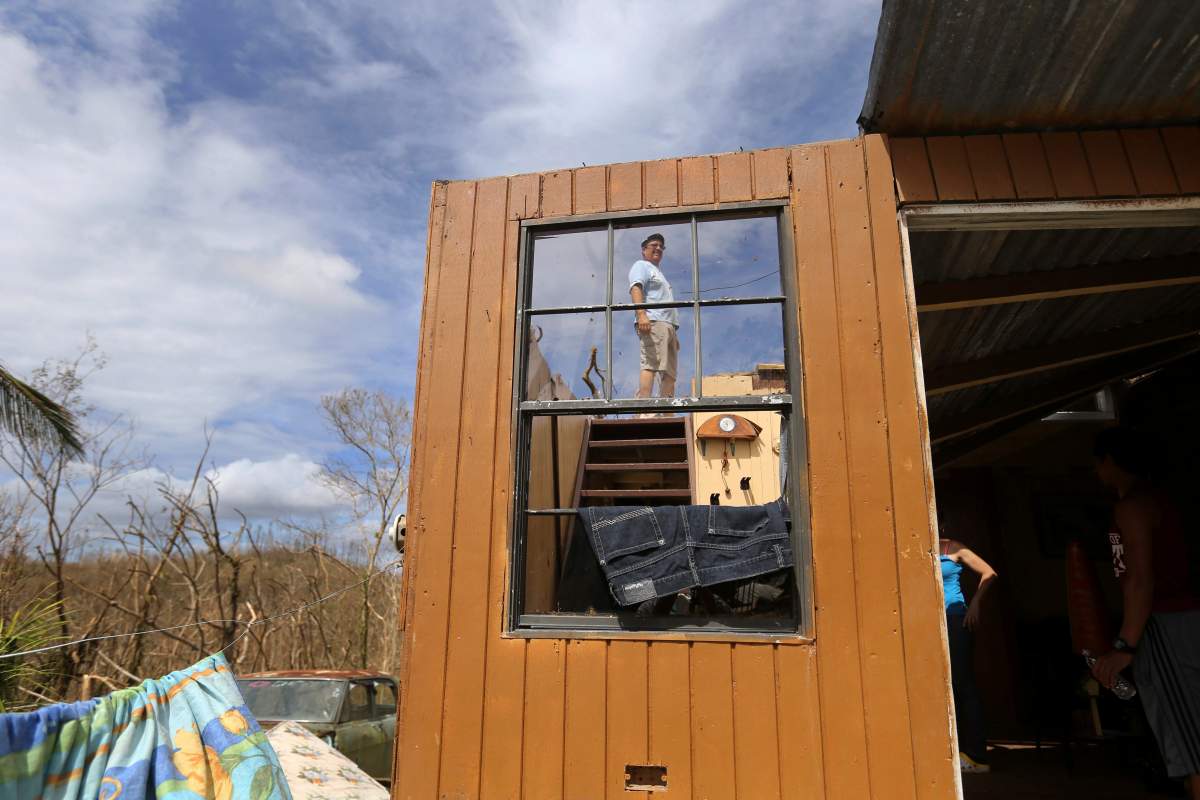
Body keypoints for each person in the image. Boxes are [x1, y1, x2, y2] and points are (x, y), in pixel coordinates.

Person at [1091, 427, 1200, 799]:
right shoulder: (1143, 503)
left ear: (1108, 461)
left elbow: (1141, 579)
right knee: (1179, 738)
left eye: (1098, 464)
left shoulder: (1135, 505)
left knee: (1189, 738)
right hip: (1159, 626)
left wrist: (1126, 644)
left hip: (1167, 626)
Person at [940, 529, 998, 774]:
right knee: (941, 686)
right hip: (929, 622)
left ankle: (975, 756)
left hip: (955, 620)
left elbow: (989, 572)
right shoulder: (916, 547)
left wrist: (975, 603)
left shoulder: (953, 547)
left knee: (962, 683)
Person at [628, 233, 679, 399]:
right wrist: (641, 314)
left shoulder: (659, 273)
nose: (658, 248)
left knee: (670, 373)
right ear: (644, 250)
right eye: (654, 245)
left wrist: (674, 333)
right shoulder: (641, 265)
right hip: (653, 321)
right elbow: (636, 288)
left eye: (661, 246)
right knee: (651, 364)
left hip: (668, 326)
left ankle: (666, 412)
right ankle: (645, 408)